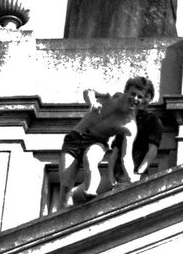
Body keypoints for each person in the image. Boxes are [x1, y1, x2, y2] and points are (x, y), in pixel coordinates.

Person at [57, 77, 151, 208]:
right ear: (126, 91)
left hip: (97, 142)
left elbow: (126, 156)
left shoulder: (130, 125)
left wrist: (131, 178)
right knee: (66, 186)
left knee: (90, 159)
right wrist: (92, 102)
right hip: (75, 138)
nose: (135, 99)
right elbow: (88, 91)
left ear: (143, 101)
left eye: (140, 97)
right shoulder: (112, 96)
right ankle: (61, 215)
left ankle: (90, 191)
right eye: (133, 94)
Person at [107, 77, 164, 186]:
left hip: (137, 176)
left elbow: (152, 150)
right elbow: (115, 151)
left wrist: (139, 173)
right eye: (135, 95)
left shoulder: (152, 120)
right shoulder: (125, 119)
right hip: (118, 176)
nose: (142, 100)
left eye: (146, 97)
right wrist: (110, 176)